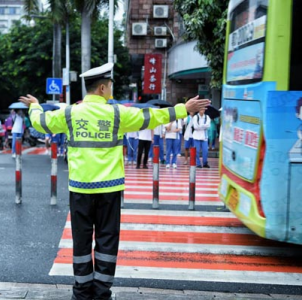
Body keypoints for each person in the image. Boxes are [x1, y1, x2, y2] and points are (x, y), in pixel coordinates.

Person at [18, 63, 210, 300]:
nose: (112, 90)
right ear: (101, 88)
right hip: (109, 189)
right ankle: (101, 292)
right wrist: (183, 108)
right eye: (110, 86)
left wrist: (35, 106)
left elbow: (41, 122)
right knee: (107, 241)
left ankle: (81, 292)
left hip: (80, 188)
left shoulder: (70, 113)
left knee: (81, 241)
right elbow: (152, 117)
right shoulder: (118, 113)